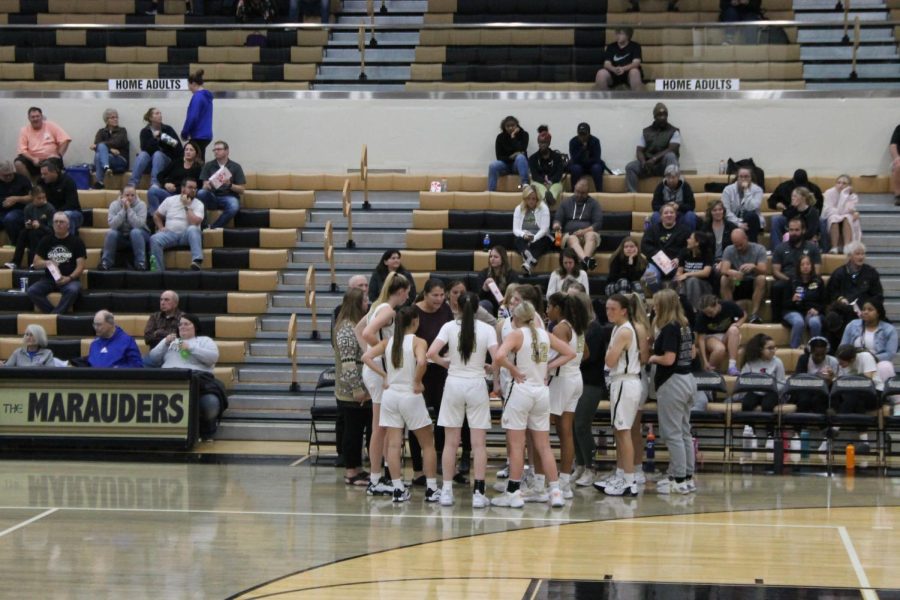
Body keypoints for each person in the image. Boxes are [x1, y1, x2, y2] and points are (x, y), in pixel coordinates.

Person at [490, 301, 575, 508]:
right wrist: (548, 367)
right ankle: (555, 491)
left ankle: (513, 493)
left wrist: (513, 370)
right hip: (541, 393)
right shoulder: (545, 334)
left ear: (517, 318)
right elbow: (570, 353)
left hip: (520, 391)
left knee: (518, 446)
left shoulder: (517, 334)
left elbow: (499, 356)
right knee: (544, 445)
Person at [427, 292, 498, 507]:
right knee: (478, 444)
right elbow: (498, 358)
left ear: (455, 306)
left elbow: (431, 353)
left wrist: (445, 362)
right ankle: (478, 493)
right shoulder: (488, 329)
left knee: (450, 442)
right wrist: (490, 368)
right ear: (478, 309)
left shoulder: (448, 327)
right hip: (476, 384)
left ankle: (447, 491)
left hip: (454, 384)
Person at [362, 306, 440, 503]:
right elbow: (422, 361)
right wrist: (417, 380)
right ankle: (431, 490)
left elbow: (366, 357)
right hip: (409, 395)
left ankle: (397, 489)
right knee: (427, 444)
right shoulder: (418, 341)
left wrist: (385, 375)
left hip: (390, 396)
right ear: (415, 321)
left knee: (394, 445)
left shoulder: (388, 341)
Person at [359, 271, 411, 496]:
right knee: (380, 428)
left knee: (382, 427)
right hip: (379, 370)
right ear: (399, 292)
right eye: (407, 293)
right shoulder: (388, 309)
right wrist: (384, 349)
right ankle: (375, 478)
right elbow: (367, 333)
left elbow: (360, 330)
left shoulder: (377, 306)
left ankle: (381, 476)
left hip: (375, 368)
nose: (408, 298)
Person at [647, 289, 697, 494]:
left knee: (673, 433)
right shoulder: (685, 325)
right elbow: (692, 353)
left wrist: (652, 358)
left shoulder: (669, 328)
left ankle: (677, 480)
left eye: (657, 304)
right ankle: (687, 476)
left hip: (673, 383)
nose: (654, 307)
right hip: (688, 380)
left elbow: (668, 359)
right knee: (684, 431)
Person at [146, 313, 226, 439]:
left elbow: (212, 358)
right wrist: (164, 343)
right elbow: (153, 359)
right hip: (169, 380)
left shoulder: (204, 341)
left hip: (197, 382)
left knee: (210, 403)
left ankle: (205, 432)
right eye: (180, 324)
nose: (182, 327)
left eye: (186, 324)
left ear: (195, 327)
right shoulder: (172, 342)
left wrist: (189, 348)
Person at [596, 293, 643, 496]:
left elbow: (609, 360)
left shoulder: (624, 331)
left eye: (613, 309)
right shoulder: (618, 328)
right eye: (607, 308)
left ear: (624, 310)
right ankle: (622, 474)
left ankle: (629, 481)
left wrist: (609, 353)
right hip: (621, 382)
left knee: (624, 432)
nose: (609, 312)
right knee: (619, 430)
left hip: (625, 381)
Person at [408, 279, 454, 486]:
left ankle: (439, 466)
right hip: (420, 370)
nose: (439, 299)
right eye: (435, 295)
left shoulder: (445, 311)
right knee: (417, 420)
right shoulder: (413, 311)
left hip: (441, 370)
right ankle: (417, 470)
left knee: (443, 420)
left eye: (442, 295)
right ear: (425, 294)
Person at [546, 293, 588, 499]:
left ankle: (544, 480)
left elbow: (559, 354)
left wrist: (546, 364)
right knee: (566, 433)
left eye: (549, 306)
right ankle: (564, 483)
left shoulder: (560, 328)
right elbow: (585, 354)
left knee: (541, 429)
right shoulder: (577, 327)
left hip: (561, 380)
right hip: (576, 377)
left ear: (557, 308)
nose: (547, 310)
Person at [332, 287, 372, 486]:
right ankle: (350, 471)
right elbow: (348, 362)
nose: (368, 304)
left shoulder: (356, 324)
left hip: (363, 390)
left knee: (358, 431)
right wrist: (356, 388)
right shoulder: (347, 328)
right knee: (352, 432)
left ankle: (357, 468)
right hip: (351, 393)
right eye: (365, 301)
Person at [825, 242, 884, 347]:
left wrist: (868, 308)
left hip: (865, 310)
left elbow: (878, 295)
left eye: (863, 254)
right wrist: (840, 299)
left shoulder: (871, 273)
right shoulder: (839, 273)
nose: (861, 257)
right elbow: (831, 293)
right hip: (844, 312)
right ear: (850, 256)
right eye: (857, 254)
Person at [27, 211, 85, 314]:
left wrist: (69, 278)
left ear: (68, 225)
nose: (58, 224)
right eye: (56, 222)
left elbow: (80, 267)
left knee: (73, 290)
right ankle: (54, 315)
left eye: (61, 222)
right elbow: (36, 263)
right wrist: (48, 263)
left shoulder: (77, 241)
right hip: (49, 279)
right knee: (32, 291)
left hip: (69, 279)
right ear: (52, 224)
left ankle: (54, 316)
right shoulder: (46, 240)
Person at [840, 299, 897, 392]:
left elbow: (890, 353)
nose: (865, 312)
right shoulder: (852, 325)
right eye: (864, 309)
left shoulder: (889, 329)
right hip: (854, 360)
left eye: (870, 310)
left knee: (886, 366)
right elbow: (843, 347)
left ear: (878, 313)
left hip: (877, 361)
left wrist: (871, 358)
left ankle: (890, 398)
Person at [771, 217, 822, 322]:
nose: (793, 233)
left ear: (803, 230)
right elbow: (775, 271)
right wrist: (790, 281)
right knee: (777, 286)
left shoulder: (813, 248)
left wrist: (804, 280)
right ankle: (776, 320)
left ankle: (812, 314)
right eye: (791, 230)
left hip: (807, 280)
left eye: (797, 230)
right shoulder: (780, 248)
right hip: (787, 280)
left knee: (817, 284)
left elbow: (817, 270)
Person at [150, 177, 204, 271]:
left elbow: (194, 222)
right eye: (190, 187)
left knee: (193, 229)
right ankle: (158, 272)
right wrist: (161, 227)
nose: (193, 190)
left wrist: (186, 206)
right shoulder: (170, 200)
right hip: (170, 234)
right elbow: (156, 215)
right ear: (183, 189)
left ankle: (197, 261)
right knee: (154, 238)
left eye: (195, 188)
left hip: (186, 235)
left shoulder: (198, 204)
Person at [625, 103, 681, 193]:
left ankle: (673, 192)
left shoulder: (674, 131)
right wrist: (643, 162)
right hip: (648, 165)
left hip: (664, 165)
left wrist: (654, 159)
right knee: (630, 167)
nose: (663, 117)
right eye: (660, 115)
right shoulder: (646, 131)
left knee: (671, 156)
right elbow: (639, 150)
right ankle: (632, 195)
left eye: (665, 115)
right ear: (654, 116)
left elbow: (672, 149)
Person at [552, 176, 603, 271]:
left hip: (588, 233)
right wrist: (556, 225)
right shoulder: (565, 202)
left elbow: (598, 223)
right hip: (570, 235)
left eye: (582, 193)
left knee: (591, 235)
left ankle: (584, 260)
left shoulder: (594, 204)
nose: (579, 195)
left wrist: (584, 231)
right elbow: (557, 219)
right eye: (577, 191)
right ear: (574, 189)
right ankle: (586, 261)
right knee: (572, 238)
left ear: (588, 192)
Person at [719, 228, 767, 324]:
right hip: (737, 282)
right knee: (724, 279)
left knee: (761, 278)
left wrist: (754, 267)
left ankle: (754, 314)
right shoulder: (729, 250)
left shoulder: (759, 249)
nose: (739, 248)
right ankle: (731, 314)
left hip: (753, 282)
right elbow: (723, 270)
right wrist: (732, 272)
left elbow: (764, 270)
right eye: (736, 245)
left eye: (741, 245)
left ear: (746, 238)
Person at [100, 185, 150, 271]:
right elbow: (112, 225)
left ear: (136, 195)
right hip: (122, 235)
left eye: (132, 195)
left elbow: (138, 225)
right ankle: (106, 263)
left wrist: (129, 209)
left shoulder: (141, 205)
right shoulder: (114, 205)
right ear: (121, 195)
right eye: (127, 195)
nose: (130, 198)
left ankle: (141, 263)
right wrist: (123, 210)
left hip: (140, 235)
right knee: (111, 233)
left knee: (135, 232)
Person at [129, 107, 182, 189]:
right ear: (150, 118)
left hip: (165, 162)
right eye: (157, 113)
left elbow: (178, 148)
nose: (160, 115)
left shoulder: (167, 129)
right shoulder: (145, 131)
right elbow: (145, 149)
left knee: (158, 154)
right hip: (149, 163)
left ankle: (155, 184)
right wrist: (153, 138)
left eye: (160, 113)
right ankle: (132, 184)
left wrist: (163, 137)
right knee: (143, 154)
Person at [147, 140, 203, 216]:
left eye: (191, 150)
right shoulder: (177, 162)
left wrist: (176, 189)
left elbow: (198, 186)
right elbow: (160, 175)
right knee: (152, 191)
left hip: (183, 196)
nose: (188, 152)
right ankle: (155, 217)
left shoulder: (198, 168)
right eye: (186, 149)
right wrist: (165, 184)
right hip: (168, 192)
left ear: (196, 153)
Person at [197, 140, 245, 229]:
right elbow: (204, 186)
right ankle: (202, 224)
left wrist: (230, 184)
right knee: (201, 193)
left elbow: (242, 190)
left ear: (227, 151)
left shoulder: (235, 167)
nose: (216, 151)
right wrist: (207, 185)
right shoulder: (208, 165)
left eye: (219, 149)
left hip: (229, 196)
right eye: (214, 150)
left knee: (234, 205)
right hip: (212, 196)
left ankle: (213, 227)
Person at [641, 202, 691, 286]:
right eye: (666, 213)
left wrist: (679, 258)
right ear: (661, 216)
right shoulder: (653, 229)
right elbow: (645, 246)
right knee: (650, 277)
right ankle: (658, 296)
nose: (669, 215)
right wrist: (658, 257)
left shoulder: (685, 230)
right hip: (656, 263)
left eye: (672, 212)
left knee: (680, 282)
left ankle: (672, 297)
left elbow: (688, 247)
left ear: (676, 215)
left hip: (676, 264)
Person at [782, 255, 826, 349]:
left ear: (812, 266)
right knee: (799, 322)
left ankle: (816, 349)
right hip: (793, 310)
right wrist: (792, 300)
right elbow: (784, 303)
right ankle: (794, 349)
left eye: (808, 264)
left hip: (811, 311)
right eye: (802, 265)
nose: (805, 267)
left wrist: (817, 310)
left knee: (815, 322)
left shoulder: (818, 281)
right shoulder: (792, 281)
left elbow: (825, 301)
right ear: (798, 267)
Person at [696, 294, 746, 375]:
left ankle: (732, 366)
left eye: (710, 312)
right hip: (711, 337)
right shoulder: (702, 316)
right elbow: (701, 339)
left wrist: (738, 324)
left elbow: (743, 314)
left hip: (727, 335)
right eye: (706, 313)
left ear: (716, 304)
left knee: (734, 329)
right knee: (720, 349)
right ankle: (710, 372)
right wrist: (705, 361)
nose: (709, 315)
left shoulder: (728, 305)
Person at [6, 185, 53, 270]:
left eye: (44, 197)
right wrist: (28, 225)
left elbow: (52, 230)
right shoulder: (28, 208)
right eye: (39, 198)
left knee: (34, 233)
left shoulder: (49, 208)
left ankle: (34, 262)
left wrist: (40, 226)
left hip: (46, 234)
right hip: (33, 232)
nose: (42, 200)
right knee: (23, 232)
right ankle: (15, 262)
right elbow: (27, 223)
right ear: (32, 198)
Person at [15, 107, 70, 179]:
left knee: (51, 164)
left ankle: (47, 187)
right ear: (29, 118)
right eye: (33, 117)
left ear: (41, 117)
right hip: (32, 160)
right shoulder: (24, 130)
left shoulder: (51, 125)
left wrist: (59, 155)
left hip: (50, 159)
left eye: (37, 116)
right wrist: (33, 159)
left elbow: (66, 139)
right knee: (18, 163)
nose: (35, 119)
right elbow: (22, 150)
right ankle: (30, 186)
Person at [737, 334, 786, 413]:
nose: (773, 350)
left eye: (774, 348)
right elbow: (743, 380)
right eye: (770, 348)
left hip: (772, 392)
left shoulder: (778, 362)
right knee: (747, 404)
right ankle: (748, 425)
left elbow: (782, 382)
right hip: (754, 391)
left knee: (767, 405)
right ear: (760, 349)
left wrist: (771, 387)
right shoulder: (750, 363)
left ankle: (769, 425)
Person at [513, 184, 552, 276]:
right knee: (517, 239)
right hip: (525, 236)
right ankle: (530, 260)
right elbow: (516, 229)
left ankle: (527, 260)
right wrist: (523, 235)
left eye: (533, 199)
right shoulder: (519, 208)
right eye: (528, 198)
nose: (531, 201)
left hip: (540, 237)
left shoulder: (543, 208)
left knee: (542, 241)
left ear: (537, 199)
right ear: (525, 198)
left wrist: (534, 238)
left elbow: (544, 229)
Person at [792, 336, 838, 413]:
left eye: (823, 354)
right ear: (810, 351)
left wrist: (831, 379)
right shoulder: (804, 359)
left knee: (819, 400)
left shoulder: (833, 361)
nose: (820, 358)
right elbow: (798, 379)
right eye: (817, 355)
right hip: (805, 389)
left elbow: (836, 383)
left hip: (824, 390)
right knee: (804, 400)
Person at [833, 344, 883, 414]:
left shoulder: (865, 356)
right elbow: (840, 381)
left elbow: (867, 379)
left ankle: (841, 421)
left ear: (852, 359)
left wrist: (847, 380)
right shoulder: (841, 364)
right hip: (852, 390)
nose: (840, 365)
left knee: (852, 397)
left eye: (842, 363)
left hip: (873, 390)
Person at [721, 166, 764, 243]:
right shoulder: (728, 190)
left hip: (750, 221)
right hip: (732, 220)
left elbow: (750, 207)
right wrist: (738, 223)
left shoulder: (758, 190)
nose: (743, 179)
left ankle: (751, 248)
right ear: (737, 178)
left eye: (746, 177)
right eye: (741, 177)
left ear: (751, 178)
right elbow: (726, 211)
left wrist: (746, 190)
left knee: (751, 216)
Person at [770, 187, 821, 251]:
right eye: (792, 196)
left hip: (807, 238)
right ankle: (777, 250)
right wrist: (792, 207)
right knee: (785, 234)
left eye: (795, 196)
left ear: (803, 198)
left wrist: (798, 238)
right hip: (793, 237)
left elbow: (811, 231)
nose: (792, 198)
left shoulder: (813, 212)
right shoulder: (793, 210)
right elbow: (788, 225)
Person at [38, 160, 82, 234]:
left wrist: (55, 213)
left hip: (73, 213)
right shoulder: (41, 182)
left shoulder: (68, 181)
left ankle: (67, 243)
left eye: (45, 174)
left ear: (54, 172)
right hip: (50, 213)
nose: (42, 177)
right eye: (42, 174)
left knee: (65, 216)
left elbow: (72, 204)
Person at [90, 108, 129, 190]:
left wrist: (103, 147)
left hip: (120, 159)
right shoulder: (101, 132)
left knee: (100, 148)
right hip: (107, 158)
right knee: (98, 155)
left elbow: (118, 142)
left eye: (116, 117)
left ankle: (101, 178)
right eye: (112, 117)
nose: (115, 119)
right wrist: (110, 150)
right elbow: (97, 146)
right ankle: (105, 170)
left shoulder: (122, 131)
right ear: (106, 120)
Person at [488, 116, 530, 192]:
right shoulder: (500, 137)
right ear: (504, 127)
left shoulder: (524, 135)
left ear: (517, 125)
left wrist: (513, 136)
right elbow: (499, 157)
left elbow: (522, 149)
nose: (510, 128)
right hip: (505, 165)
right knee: (493, 165)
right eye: (508, 126)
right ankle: (491, 192)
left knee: (520, 157)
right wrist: (511, 157)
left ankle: (525, 186)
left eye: (512, 125)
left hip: (518, 166)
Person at [676, 231, 714, 311]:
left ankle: (694, 310)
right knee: (676, 283)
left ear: (697, 243)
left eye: (690, 238)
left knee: (692, 281)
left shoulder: (707, 254)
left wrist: (687, 274)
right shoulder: (684, 252)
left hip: (703, 286)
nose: (687, 240)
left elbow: (706, 273)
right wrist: (679, 278)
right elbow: (679, 271)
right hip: (686, 285)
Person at [822, 175, 861, 254]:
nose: (840, 185)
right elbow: (827, 209)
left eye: (844, 183)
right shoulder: (829, 193)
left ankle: (847, 246)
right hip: (832, 215)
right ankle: (834, 247)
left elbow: (849, 209)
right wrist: (840, 212)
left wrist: (844, 194)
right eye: (838, 182)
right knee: (833, 218)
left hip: (846, 216)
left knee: (847, 217)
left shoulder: (852, 196)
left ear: (849, 186)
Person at [595, 27, 643, 91]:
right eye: (617, 33)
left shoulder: (635, 46)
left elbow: (636, 63)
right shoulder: (611, 47)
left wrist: (623, 69)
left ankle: (636, 99)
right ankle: (605, 99)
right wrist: (613, 69)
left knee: (634, 72)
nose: (618, 36)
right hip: (614, 73)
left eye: (621, 34)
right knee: (601, 73)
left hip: (628, 73)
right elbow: (606, 64)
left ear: (628, 35)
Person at [651, 165, 697, 230]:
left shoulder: (685, 186)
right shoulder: (660, 186)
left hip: (681, 213)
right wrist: (666, 207)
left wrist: (679, 207)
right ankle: (659, 237)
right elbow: (654, 205)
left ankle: (689, 237)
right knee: (655, 216)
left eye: (673, 177)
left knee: (690, 216)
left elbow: (691, 205)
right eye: (668, 177)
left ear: (678, 177)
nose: (670, 180)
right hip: (666, 214)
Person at [528, 127, 565, 207]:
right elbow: (534, 175)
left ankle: (551, 198)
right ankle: (546, 198)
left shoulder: (557, 157)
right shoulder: (532, 158)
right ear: (538, 143)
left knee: (556, 187)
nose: (543, 145)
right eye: (541, 142)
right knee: (539, 187)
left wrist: (551, 182)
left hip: (554, 182)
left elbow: (559, 173)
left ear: (549, 143)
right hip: (539, 182)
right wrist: (544, 182)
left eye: (545, 142)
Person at [182, 70, 214, 160]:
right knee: (199, 159)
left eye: (189, 85)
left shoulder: (197, 97)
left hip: (198, 134)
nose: (189, 88)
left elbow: (192, 117)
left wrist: (185, 132)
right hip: (206, 134)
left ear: (193, 83)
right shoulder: (207, 97)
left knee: (192, 160)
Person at [0, 159, 33, 245]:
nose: (8, 177)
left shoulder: (22, 180)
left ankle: (16, 244)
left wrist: (16, 199)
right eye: (5, 176)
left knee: (10, 218)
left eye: (10, 175)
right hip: (2, 210)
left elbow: (31, 197)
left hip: (19, 210)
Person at [478, 246, 518, 315]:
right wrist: (485, 287)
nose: (492, 259)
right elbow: (479, 298)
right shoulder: (484, 273)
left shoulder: (511, 274)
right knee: (483, 304)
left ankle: (504, 324)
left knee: (507, 307)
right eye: (490, 256)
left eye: (496, 257)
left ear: (503, 259)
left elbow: (513, 294)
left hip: (505, 305)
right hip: (489, 306)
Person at [700, 199, 737, 269]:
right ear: (710, 212)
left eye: (720, 209)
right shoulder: (705, 228)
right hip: (710, 262)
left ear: (723, 211)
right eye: (714, 210)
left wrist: (724, 262)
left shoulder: (731, 227)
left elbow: (736, 249)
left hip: (728, 261)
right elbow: (702, 249)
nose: (718, 212)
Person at [568, 122, 604, 193]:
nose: (582, 137)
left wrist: (584, 161)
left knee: (597, 168)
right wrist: (582, 149)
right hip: (579, 166)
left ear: (589, 133)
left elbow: (597, 159)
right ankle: (574, 192)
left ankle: (600, 192)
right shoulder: (573, 142)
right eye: (580, 134)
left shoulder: (595, 141)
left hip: (591, 166)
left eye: (584, 134)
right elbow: (574, 159)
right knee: (576, 168)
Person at [891, 123, 900, 204]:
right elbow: (893, 145)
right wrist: (896, 158)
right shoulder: (899, 128)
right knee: (898, 165)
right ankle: (898, 196)